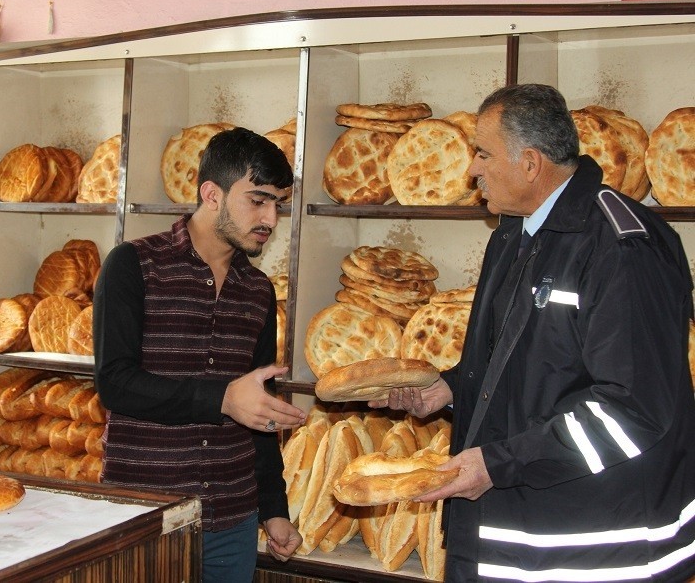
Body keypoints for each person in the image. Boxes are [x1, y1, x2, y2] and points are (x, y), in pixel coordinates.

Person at [373, 83, 695, 581]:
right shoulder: (515, 231)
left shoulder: (623, 248)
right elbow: (520, 360)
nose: (472, 168)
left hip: (595, 551)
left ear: (530, 163)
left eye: (482, 152)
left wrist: (499, 464)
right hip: (513, 541)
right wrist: (449, 390)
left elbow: (632, 410)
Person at [93, 127, 306, 582]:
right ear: (212, 194)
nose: (270, 217)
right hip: (146, 514)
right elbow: (115, 383)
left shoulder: (259, 290)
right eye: (258, 200)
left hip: (233, 517)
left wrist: (274, 509)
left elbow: (258, 407)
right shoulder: (133, 265)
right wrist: (221, 399)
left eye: (278, 205)